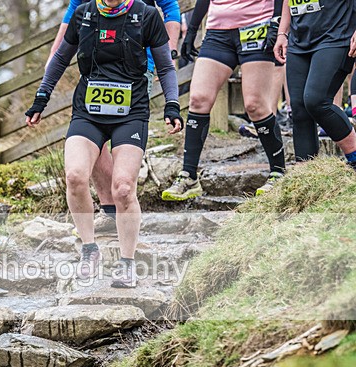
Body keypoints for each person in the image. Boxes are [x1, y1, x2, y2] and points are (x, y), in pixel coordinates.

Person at [27, 0, 183, 288]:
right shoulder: (84, 14)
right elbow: (61, 58)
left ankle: (127, 263)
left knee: (123, 187)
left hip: (131, 111)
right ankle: (89, 250)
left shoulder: (146, 16)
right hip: (88, 111)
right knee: (74, 176)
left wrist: (172, 105)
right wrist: (41, 98)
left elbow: (165, 65)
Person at [47, 0, 181, 234]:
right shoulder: (84, 10)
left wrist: (167, 52)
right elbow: (72, 13)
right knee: (92, 143)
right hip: (98, 67)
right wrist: (55, 54)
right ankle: (109, 209)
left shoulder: (147, 15)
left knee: (123, 147)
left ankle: (125, 200)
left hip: (140, 63)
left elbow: (170, 8)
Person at [162, 0, 286, 201]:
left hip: (257, 25)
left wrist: (277, 22)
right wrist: (192, 29)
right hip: (218, 29)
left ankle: (278, 172)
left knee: (255, 105)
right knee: (198, 99)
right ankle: (189, 176)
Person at [273, 0, 356, 175]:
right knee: (299, 109)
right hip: (299, 37)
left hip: (336, 33)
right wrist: (282, 33)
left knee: (316, 101)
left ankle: (354, 156)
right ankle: (306, 176)